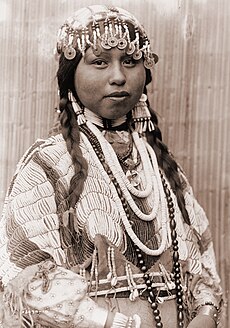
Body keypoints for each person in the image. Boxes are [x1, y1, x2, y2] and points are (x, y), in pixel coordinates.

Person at [0, 4, 223, 328]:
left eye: (130, 61)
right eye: (100, 62)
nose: (118, 76)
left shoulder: (162, 168)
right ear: (71, 75)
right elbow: (27, 275)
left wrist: (205, 313)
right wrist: (107, 321)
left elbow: (201, 262)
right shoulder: (47, 164)